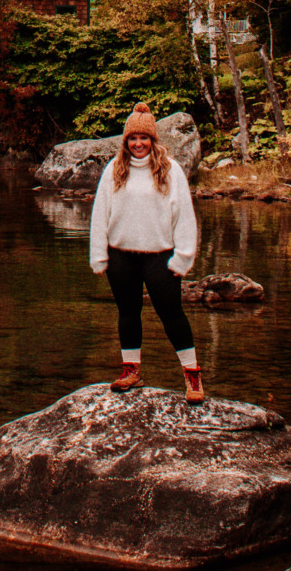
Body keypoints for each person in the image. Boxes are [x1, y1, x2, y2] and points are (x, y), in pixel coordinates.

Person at [88, 102, 202, 403]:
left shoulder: (171, 170)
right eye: (133, 139)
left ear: (153, 140)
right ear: (126, 142)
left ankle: (192, 377)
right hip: (120, 256)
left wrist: (183, 258)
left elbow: (185, 217)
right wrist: (99, 255)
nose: (138, 144)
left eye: (144, 138)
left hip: (160, 257)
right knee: (128, 313)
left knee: (172, 314)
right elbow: (100, 214)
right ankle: (131, 371)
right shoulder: (114, 170)